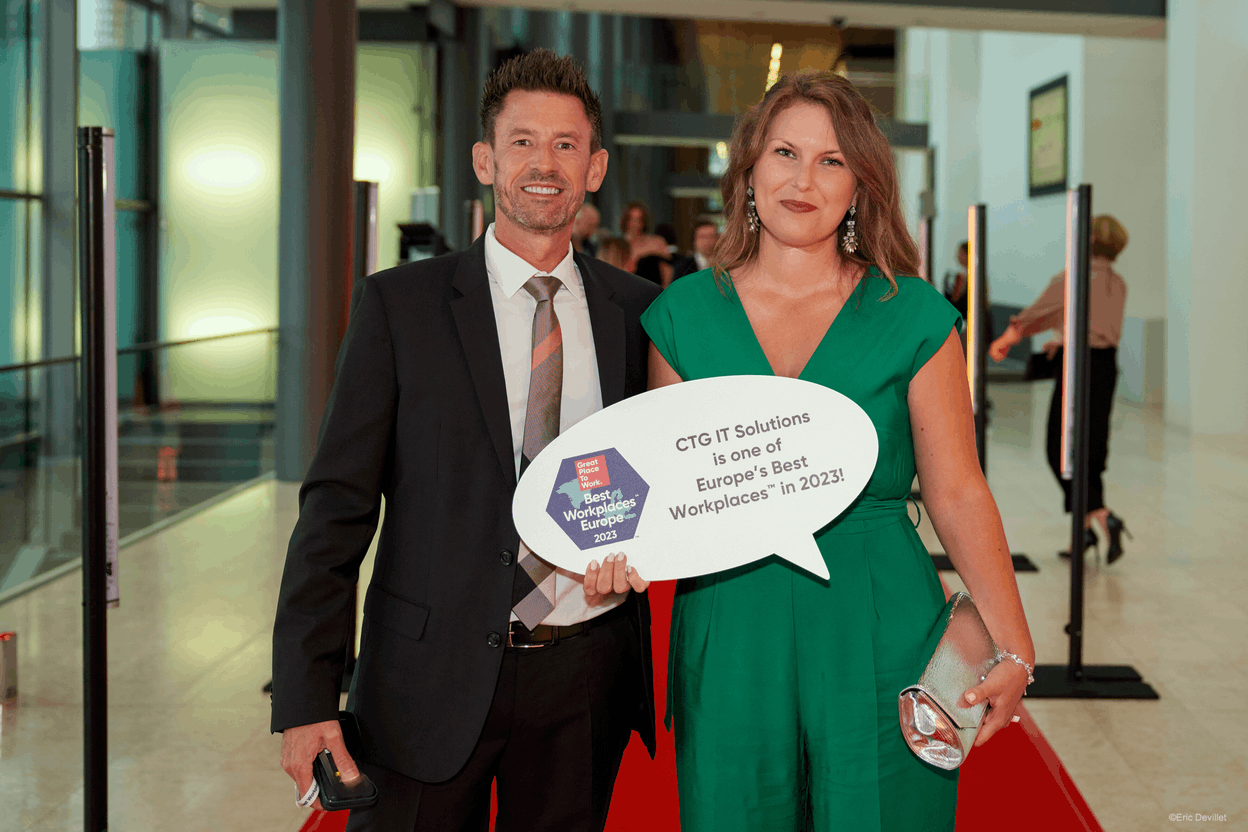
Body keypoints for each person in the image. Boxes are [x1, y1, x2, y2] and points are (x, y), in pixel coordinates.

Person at [271, 49, 659, 832]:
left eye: (565, 145)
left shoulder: (642, 314)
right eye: (521, 142)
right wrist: (305, 697)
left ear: (595, 168)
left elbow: (660, 477)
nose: (542, 164)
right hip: (423, 679)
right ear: (485, 159)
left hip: (585, 676)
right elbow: (337, 508)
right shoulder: (398, 307)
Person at [639, 70, 1034, 831]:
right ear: (749, 167)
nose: (803, 179)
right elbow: (663, 495)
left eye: (832, 160)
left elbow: (956, 491)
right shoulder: (681, 316)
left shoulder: (913, 314)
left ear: (860, 184)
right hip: (731, 616)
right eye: (786, 152)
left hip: (878, 610)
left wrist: (1013, 645)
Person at [988, 215, 1130, 563]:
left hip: (1077, 367)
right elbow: (1090, 324)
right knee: (1091, 448)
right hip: (1104, 366)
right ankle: (1081, 534)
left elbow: (1041, 311)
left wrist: (1009, 337)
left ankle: (1100, 513)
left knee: (1061, 448)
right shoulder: (1118, 283)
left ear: (1088, 241)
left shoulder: (1075, 278)